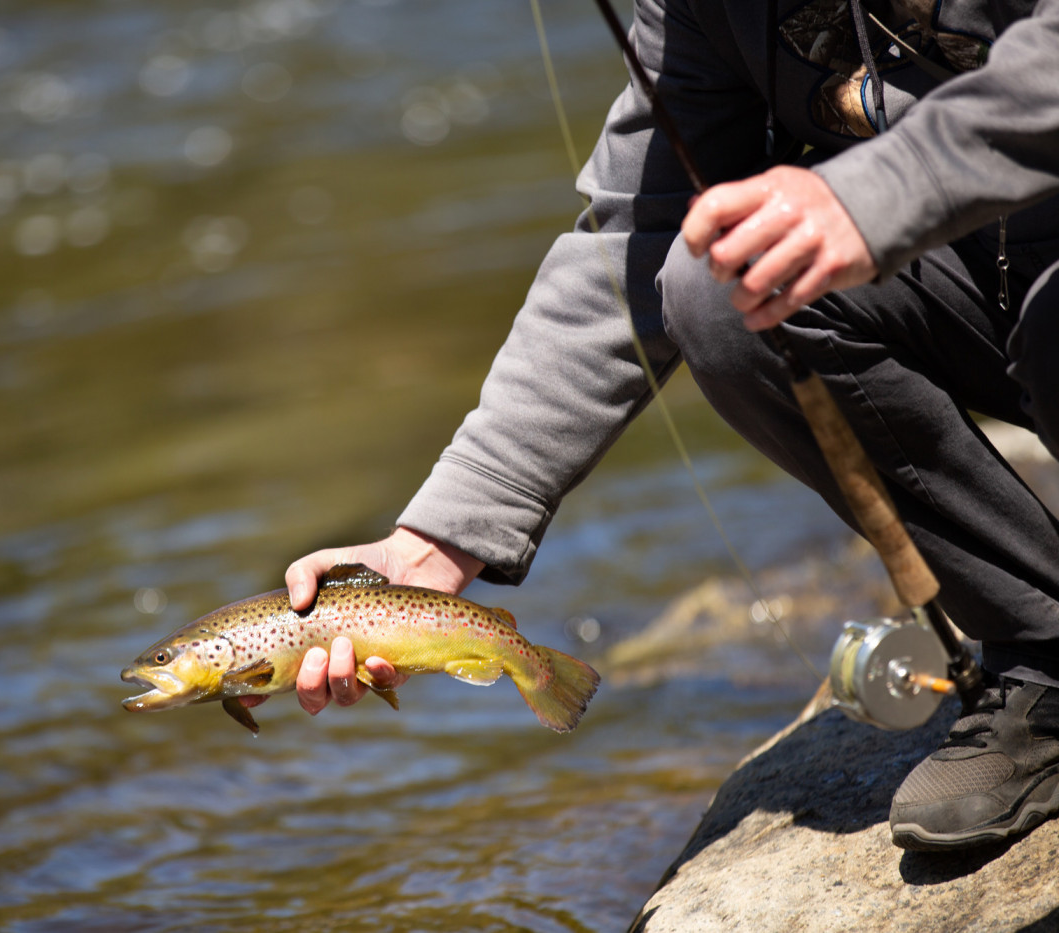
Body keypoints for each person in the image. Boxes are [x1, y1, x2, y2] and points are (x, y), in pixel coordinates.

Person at [255, 0, 1059, 851]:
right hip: (980, 285)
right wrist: (435, 544)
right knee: (722, 286)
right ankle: (1044, 647)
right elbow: (637, 237)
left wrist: (873, 196)